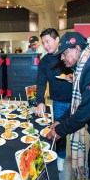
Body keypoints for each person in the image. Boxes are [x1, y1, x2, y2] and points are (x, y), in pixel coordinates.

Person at [47, 31, 90, 180]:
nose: (62, 58)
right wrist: (60, 120)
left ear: (77, 48)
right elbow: (78, 104)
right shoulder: (83, 66)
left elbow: (84, 111)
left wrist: (60, 130)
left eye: (64, 54)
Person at [35, 28, 72, 172]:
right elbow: (40, 83)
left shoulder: (68, 54)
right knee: (59, 131)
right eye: (43, 43)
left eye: (48, 41)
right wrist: (40, 101)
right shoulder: (44, 62)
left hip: (76, 100)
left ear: (57, 39)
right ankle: (60, 157)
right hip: (59, 102)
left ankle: (80, 162)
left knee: (78, 135)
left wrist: (74, 79)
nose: (46, 45)